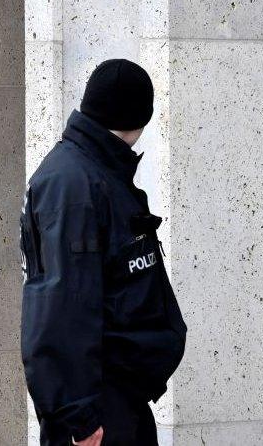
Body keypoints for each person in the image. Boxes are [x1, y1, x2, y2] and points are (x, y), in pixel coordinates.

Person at [20, 59, 188, 446]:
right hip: (97, 416)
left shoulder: (93, 173)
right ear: (138, 119)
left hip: (116, 403)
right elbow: (60, 309)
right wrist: (81, 420)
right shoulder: (75, 187)